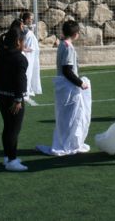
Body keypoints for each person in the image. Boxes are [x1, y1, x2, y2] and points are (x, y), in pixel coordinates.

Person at [36, 20, 92, 156]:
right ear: (75, 34)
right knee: (71, 117)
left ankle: (68, 142)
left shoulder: (62, 44)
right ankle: (68, 144)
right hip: (68, 88)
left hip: (64, 86)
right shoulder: (68, 47)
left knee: (66, 117)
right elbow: (67, 70)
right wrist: (80, 83)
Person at [0, 26, 29, 172]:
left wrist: (0, 88)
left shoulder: (1, 55)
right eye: (23, 41)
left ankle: (8, 157)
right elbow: (20, 80)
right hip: (13, 99)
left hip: (2, 97)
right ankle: (12, 160)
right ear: (18, 42)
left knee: (7, 127)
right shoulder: (20, 58)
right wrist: (18, 99)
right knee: (13, 130)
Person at [20, 11, 42, 105]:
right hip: (27, 56)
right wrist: (26, 49)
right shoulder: (24, 30)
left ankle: (28, 90)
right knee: (27, 74)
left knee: (30, 73)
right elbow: (24, 43)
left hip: (31, 56)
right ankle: (24, 93)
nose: (32, 21)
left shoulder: (27, 30)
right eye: (31, 19)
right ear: (27, 19)